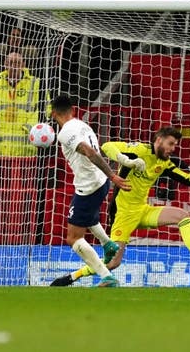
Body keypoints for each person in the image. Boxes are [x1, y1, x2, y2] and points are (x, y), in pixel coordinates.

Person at [51, 125, 190, 286]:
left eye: (175, 145)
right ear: (158, 140)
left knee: (183, 216)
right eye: (171, 144)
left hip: (142, 210)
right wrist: (126, 161)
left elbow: (189, 180)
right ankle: (73, 276)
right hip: (123, 214)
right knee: (114, 263)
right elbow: (106, 146)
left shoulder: (164, 163)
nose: (173, 149)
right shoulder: (139, 150)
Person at [49, 95, 130, 287]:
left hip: (91, 185)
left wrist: (113, 175)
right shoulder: (81, 125)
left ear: (53, 114)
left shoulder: (65, 132)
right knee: (87, 217)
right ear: (74, 110)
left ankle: (106, 277)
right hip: (98, 182)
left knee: (74, 238)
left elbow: (90, 152)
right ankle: (107, 244)